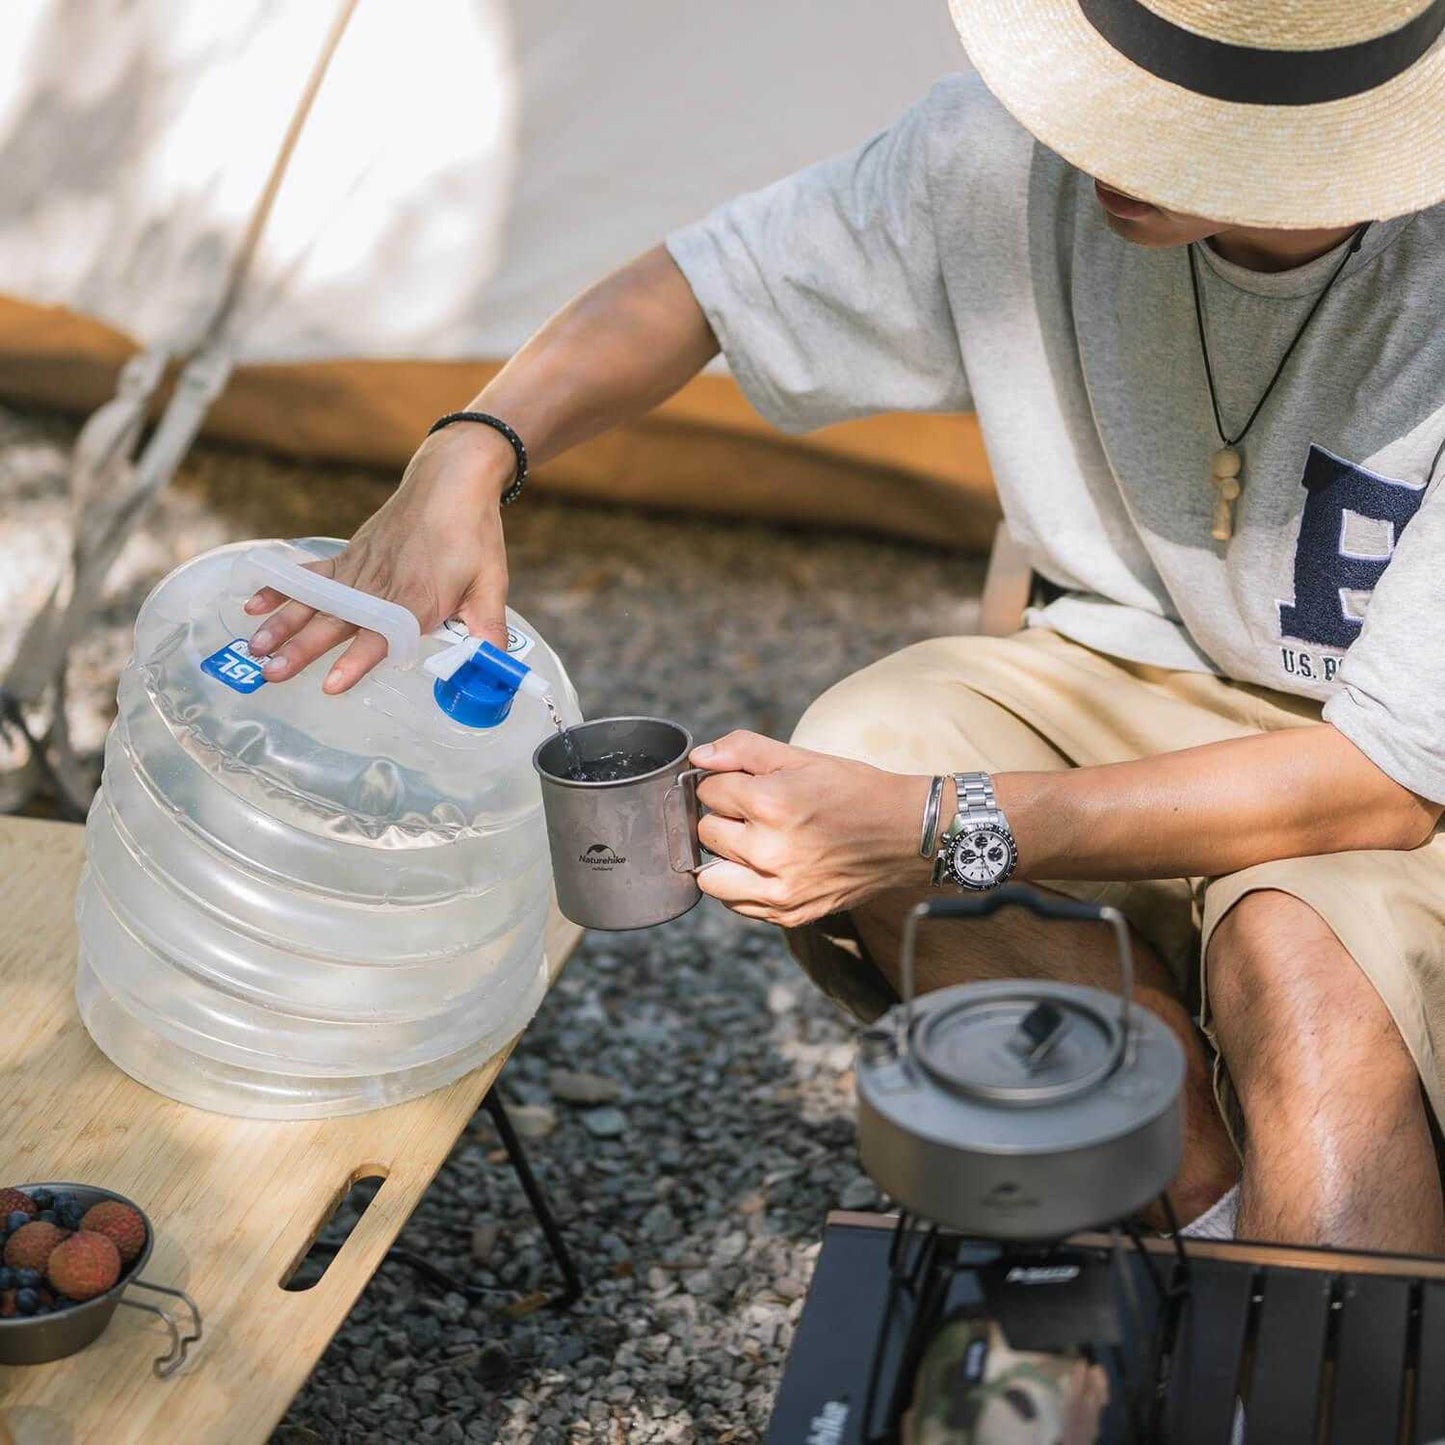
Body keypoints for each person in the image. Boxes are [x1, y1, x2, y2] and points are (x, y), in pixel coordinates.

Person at [243, 0, 1445, 1253]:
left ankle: (1326, 1369)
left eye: (1172, 127)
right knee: (867, 741)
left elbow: (1384, 780)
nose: (1098, 146)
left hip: (1379, 762)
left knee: (1292, 953)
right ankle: (1195, 1209)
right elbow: (703, 285)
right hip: (1132, 666)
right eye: (1105, 90)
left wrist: (939, 825)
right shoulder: (1012, 151)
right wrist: (467, 455)